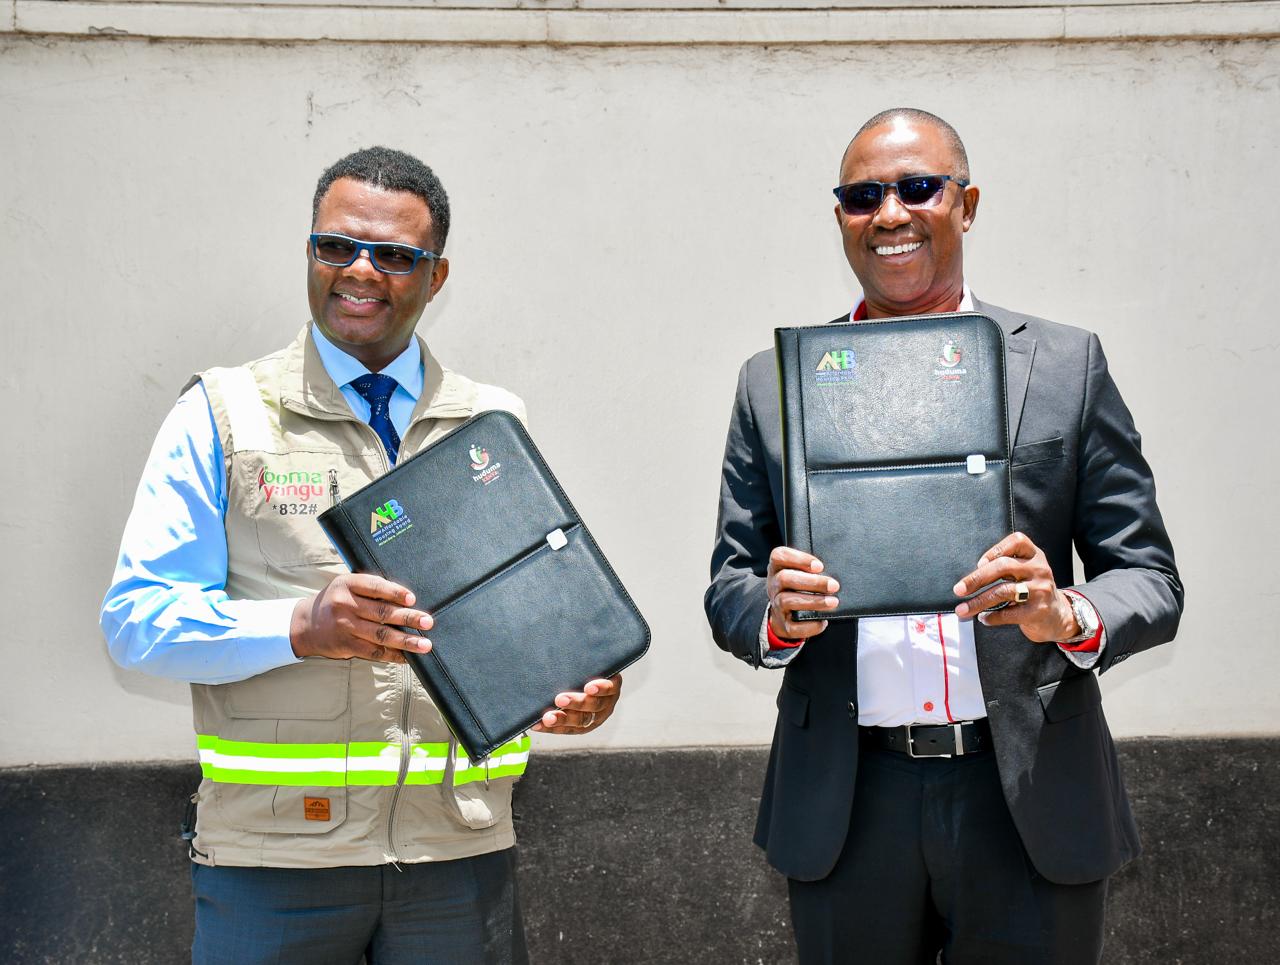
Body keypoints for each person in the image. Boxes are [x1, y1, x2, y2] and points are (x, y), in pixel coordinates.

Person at [101, 146, 621, 965]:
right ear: (309, 252)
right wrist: (302, 625)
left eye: (395, 255)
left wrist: (578, 685)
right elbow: (137, 622)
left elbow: (530, 608)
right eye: (337, 245)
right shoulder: (224, 413)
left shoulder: (491, 421)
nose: (361, 270)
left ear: (436, 277)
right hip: (273, 864)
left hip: (458, 858)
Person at [704, 108, 1183, 964]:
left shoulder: (1065, 365)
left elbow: (1147, 575)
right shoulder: (773, 385)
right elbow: (730, 583)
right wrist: (774, 615)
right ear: (841, 216)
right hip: (848, 803)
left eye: (919, 188)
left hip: (1028, 795)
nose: (890, 213)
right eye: (863, 197)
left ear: (967, 204)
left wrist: (1065, 613)